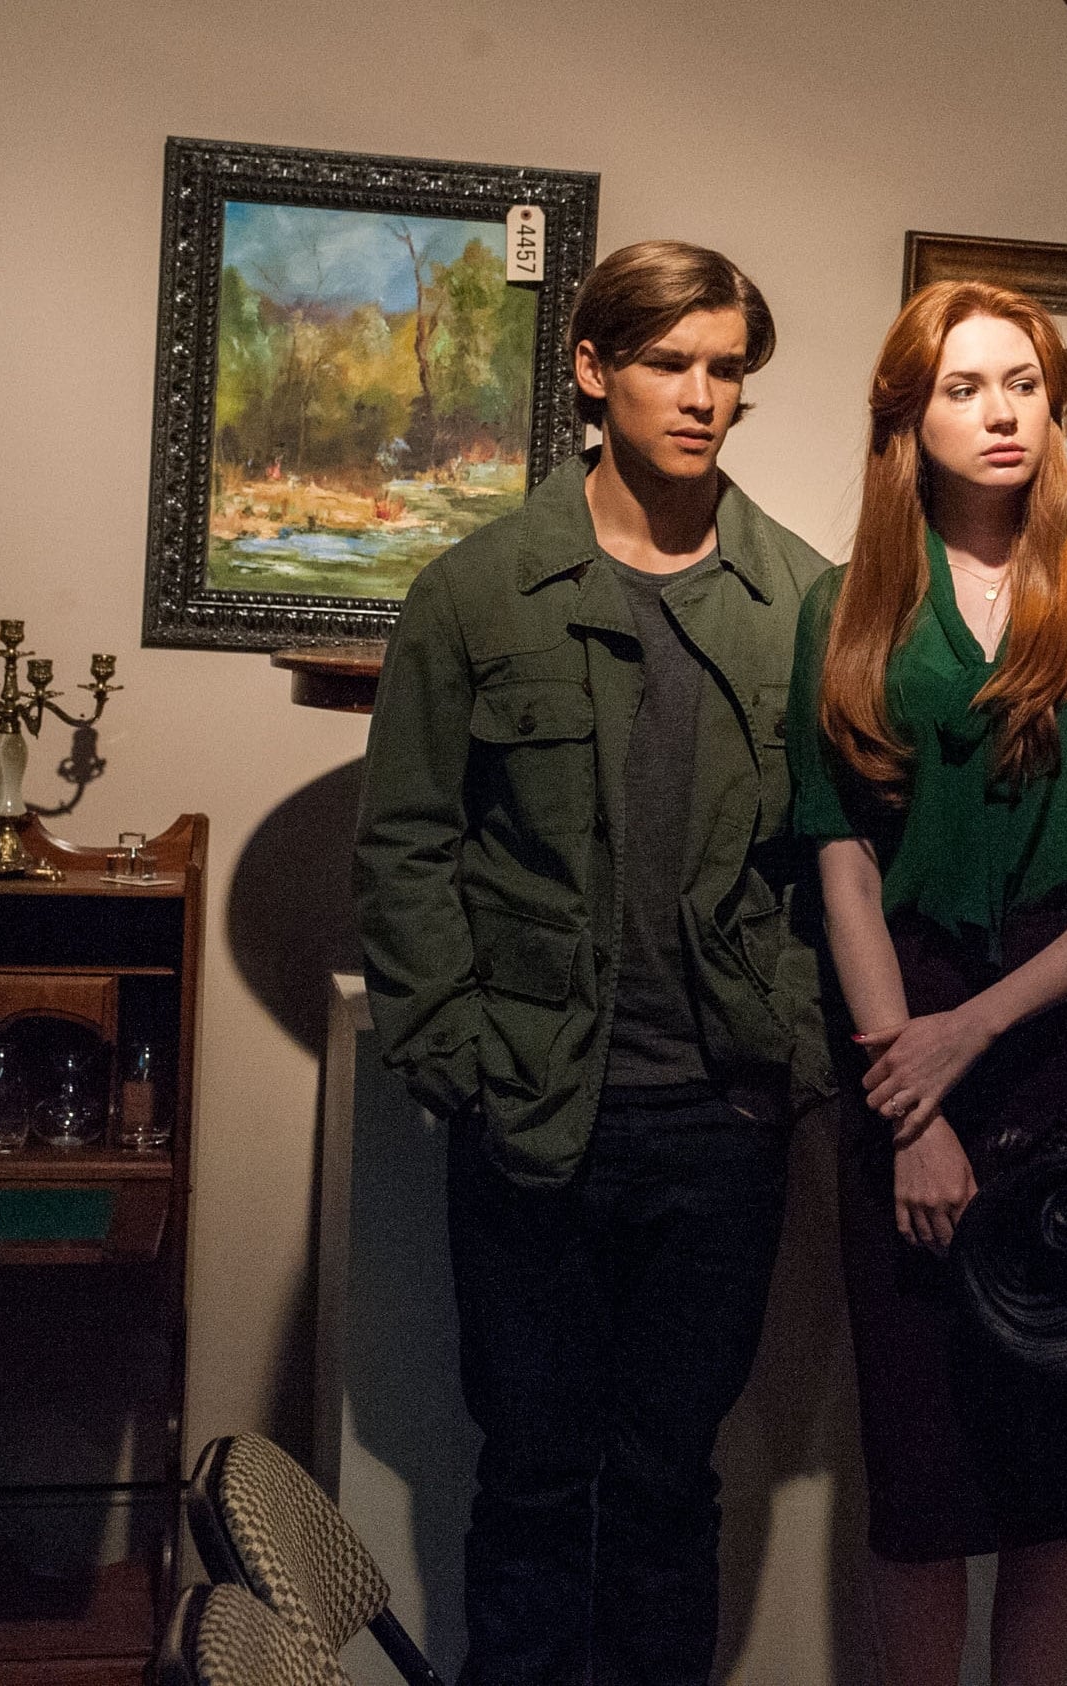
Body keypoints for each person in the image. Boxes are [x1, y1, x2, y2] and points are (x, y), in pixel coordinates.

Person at [353, 240, 830, 1686]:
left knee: (672, 1478)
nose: (702, 395)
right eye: (670, 362)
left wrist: (795, 1055)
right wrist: (459, 1061)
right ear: (591, 370)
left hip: (719, 1126)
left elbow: (839, 862)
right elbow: (407, 845)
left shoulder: (803, 602)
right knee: (534, 1475)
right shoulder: (476, 594)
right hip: (535, 1115)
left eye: (727, 369)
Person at [789, 279, 1067, 1686]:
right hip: (901, 1027)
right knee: (923, 1470)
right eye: (964, 387)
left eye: (1023, 385)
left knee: (1056, 1474)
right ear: (909, 418)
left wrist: (979, 1030)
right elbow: (841, 865)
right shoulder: (844, 606)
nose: (1001, 412)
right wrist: (912, 1101)